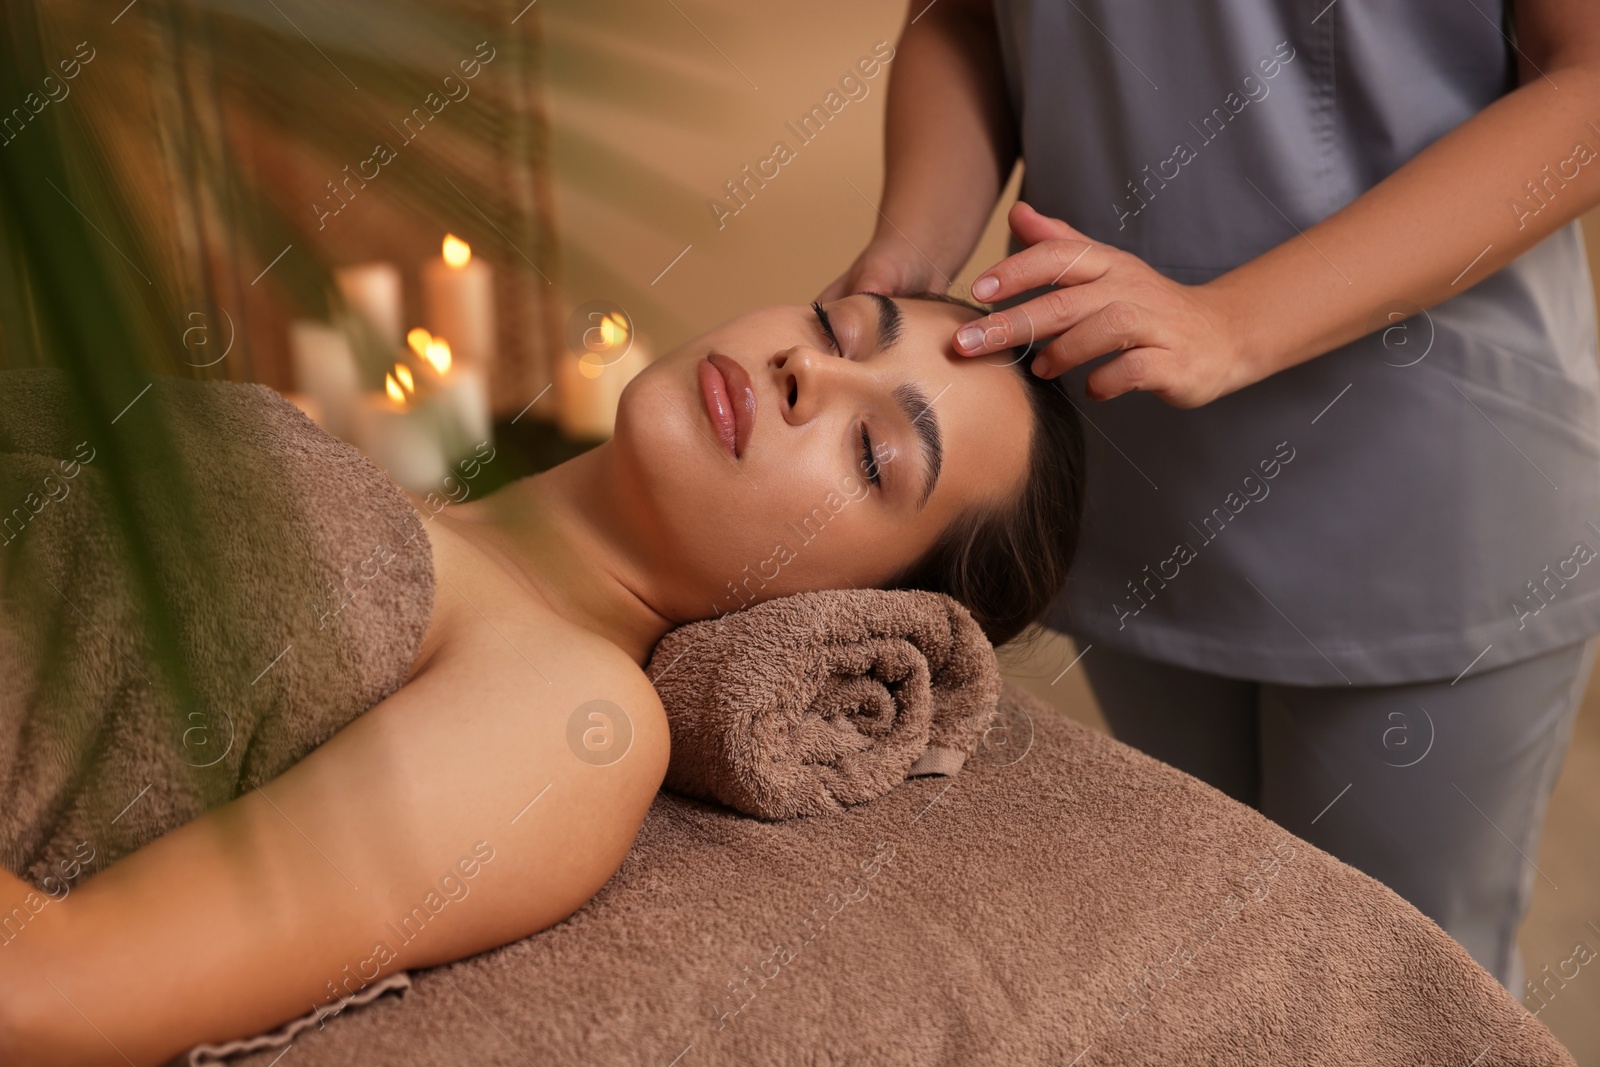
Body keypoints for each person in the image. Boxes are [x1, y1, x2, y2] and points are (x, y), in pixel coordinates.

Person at [0, 291, 1084, 1064]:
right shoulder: (363, 472)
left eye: (871, 453)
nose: (809, 371)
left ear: (863, 614)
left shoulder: (572, 713)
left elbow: (51, 994)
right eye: (838, 325)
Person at [823, 0, 1600, 994]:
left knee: (1385, 999)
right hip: (1131, 468)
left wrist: (1229, 322)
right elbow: (969, 18)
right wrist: (909, 264)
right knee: (1209, 965)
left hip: (1423, 472)